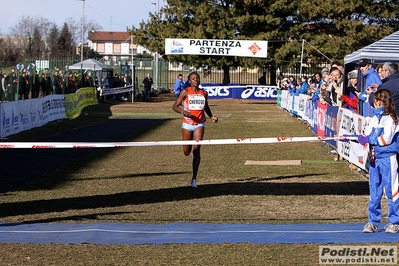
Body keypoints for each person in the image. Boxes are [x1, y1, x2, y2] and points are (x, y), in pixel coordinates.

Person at [339, 89, 399, 233]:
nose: (374, 104)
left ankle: (395, 221)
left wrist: (368, 139)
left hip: (387, 158)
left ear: (381, 102)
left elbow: (385, 140)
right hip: (374, 159)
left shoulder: (391, 119)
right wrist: (351, 137)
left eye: (375, 101)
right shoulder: (374, 119)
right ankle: (373, 221)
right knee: (374, 191)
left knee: (392, 190)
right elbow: (365, 135)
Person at [172, 72, 218, 188]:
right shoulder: (185, 92)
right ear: (189, 80)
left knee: (196, 150)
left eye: (197, 78)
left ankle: (194, 179)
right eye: (193, 78)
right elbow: (174, 106)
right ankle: (188, 155)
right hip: (187, 124)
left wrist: (211, 116)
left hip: (199, 123)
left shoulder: (204, 93)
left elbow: (206, 107)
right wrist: (183, 112)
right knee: (186, 152)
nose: (196, 80)